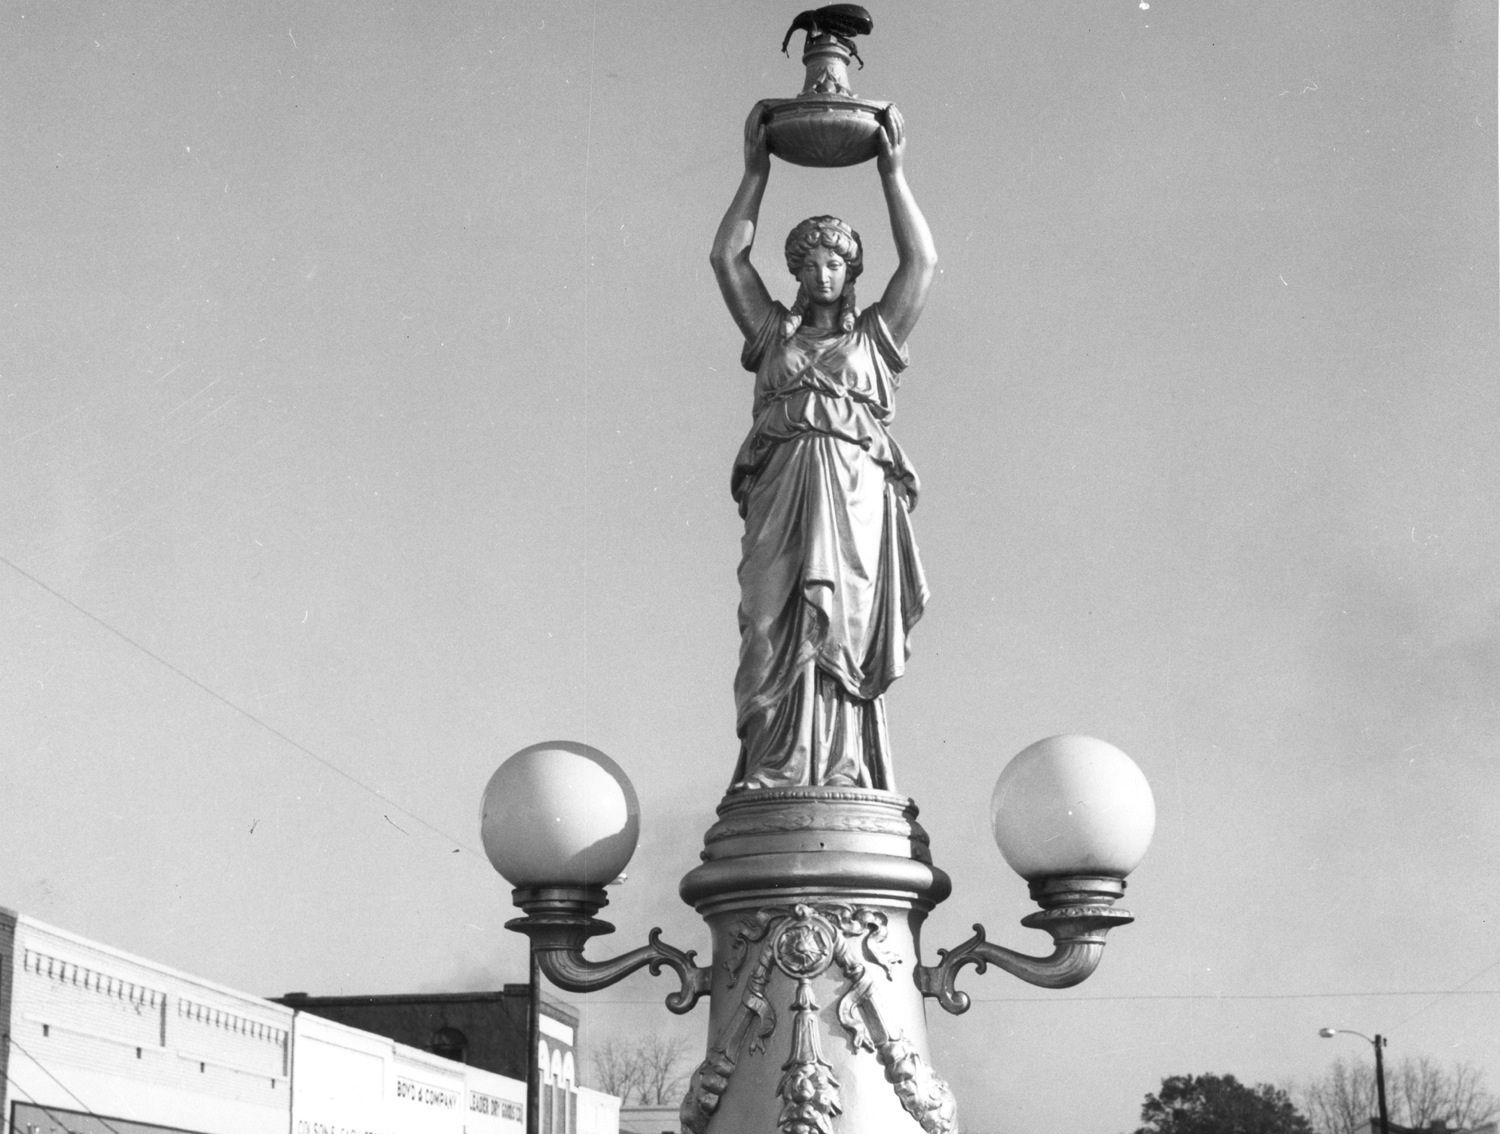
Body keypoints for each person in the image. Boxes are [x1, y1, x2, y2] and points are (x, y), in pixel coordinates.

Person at [709, 102, 938, 792]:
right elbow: (726, 258)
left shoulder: (874, 340)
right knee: (770, 625)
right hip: (781, 495)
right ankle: (773, 766)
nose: (822, 275)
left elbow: (922, 262)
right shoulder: (772, 336)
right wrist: (755, 173)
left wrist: (893, 175)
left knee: (841, 627)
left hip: (853, 497)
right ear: (796, 274)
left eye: (834, 262)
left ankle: (844, 767)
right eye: (809, 264)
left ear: (851, 270)